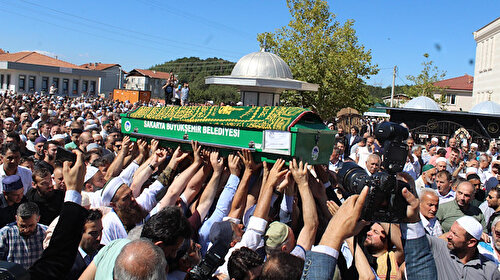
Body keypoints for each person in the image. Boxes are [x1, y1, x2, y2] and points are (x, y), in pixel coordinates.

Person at [0, 202, 48, 268]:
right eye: (22, 226)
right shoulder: (5, 234)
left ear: (38, 219)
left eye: (31, 225)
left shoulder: (46, 232)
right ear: (16, 219)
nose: (26, 230)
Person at [65, 209, 103, 280]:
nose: (99, 238)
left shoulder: (105, 253)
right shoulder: (68, 262)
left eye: (100, 231)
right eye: (93, 233)